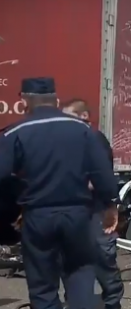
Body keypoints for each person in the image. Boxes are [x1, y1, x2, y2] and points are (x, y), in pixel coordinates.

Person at [0, 78, 118, 309]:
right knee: (81, 274)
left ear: (25, 101)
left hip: (37, 217)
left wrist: (14, 207)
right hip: (77, 215)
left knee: (43, 285)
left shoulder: (15, 133)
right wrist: (111, 205)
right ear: (55, 100)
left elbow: (2, 176)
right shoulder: (83, 130)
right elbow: (102, 172)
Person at [62, 99, 124, 309]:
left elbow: (100, 178)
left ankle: (112, 303)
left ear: (84, 117)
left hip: (95, 209)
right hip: (74, 210)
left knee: (102, 259)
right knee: (71, 261)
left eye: (67, 117)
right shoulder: (67, 142)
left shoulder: (95, 140)